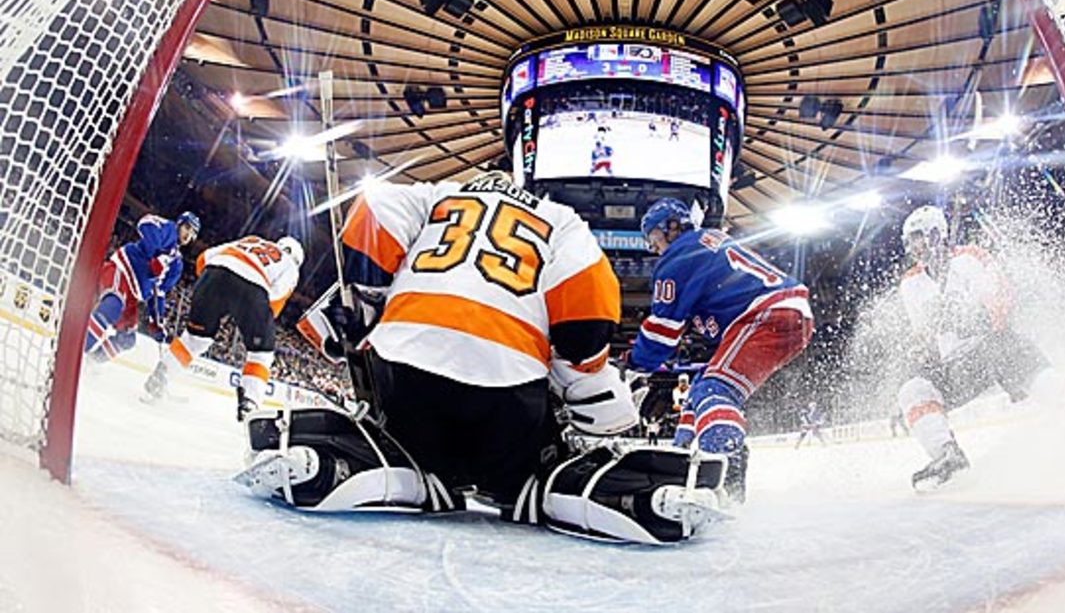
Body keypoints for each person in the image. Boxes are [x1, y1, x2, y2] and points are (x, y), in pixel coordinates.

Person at [237, 173, 727, 544]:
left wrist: (366, 302)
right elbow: (584, 314)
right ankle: (582, 490)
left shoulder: (437, 195)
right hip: (505, 393)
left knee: (405, 440)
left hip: (405, 375)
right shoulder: (560, 220)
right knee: (530, 475)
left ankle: (384, 467)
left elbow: (376, 210)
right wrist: (587, 383)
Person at [895, 205, 1065, 490]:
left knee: (1044, 384)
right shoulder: (910, 283)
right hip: (957, 366)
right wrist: (922, 343)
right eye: (909, 241)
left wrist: (970, 313)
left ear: (936, 234)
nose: (913, 247)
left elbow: (999, 303)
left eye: (918, 237)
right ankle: (947, 453)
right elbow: (926, 334)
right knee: (912, 390)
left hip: (995, 346)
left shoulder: (970, 258)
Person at [627, 198, 815, 502]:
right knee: (700, 390)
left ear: (671, 227)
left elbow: (662, 333)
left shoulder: (679, 255)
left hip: (766, 314)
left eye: (654, 239)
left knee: (713, 391)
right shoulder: (710, 243)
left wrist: (631, 365)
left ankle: (728, 477)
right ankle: (680, 461)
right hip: (782, 312)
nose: (654, 249)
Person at [142, 234, 303, 419]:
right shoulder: (291, 266)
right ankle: (249, 405)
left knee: (195, 339)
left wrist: (214, 294)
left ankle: (160, 377)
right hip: (253, 287)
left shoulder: (251, 240)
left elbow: (204, 258)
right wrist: (247, 315)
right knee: (261, 353)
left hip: (213, 275)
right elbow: (274, 300)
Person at [84, 212, 200, 362]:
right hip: (122, 271)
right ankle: (77, 351)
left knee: (127, 339)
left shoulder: (176, 264)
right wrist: (154, 253)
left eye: (192, 234)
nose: (188, 235)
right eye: (187, 228)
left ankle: (92, 362)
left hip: (133, 294)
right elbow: (145, 222)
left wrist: (156, 322)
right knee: (113, 306)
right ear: (179, 223)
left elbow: (159, 292)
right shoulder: (168, 229)